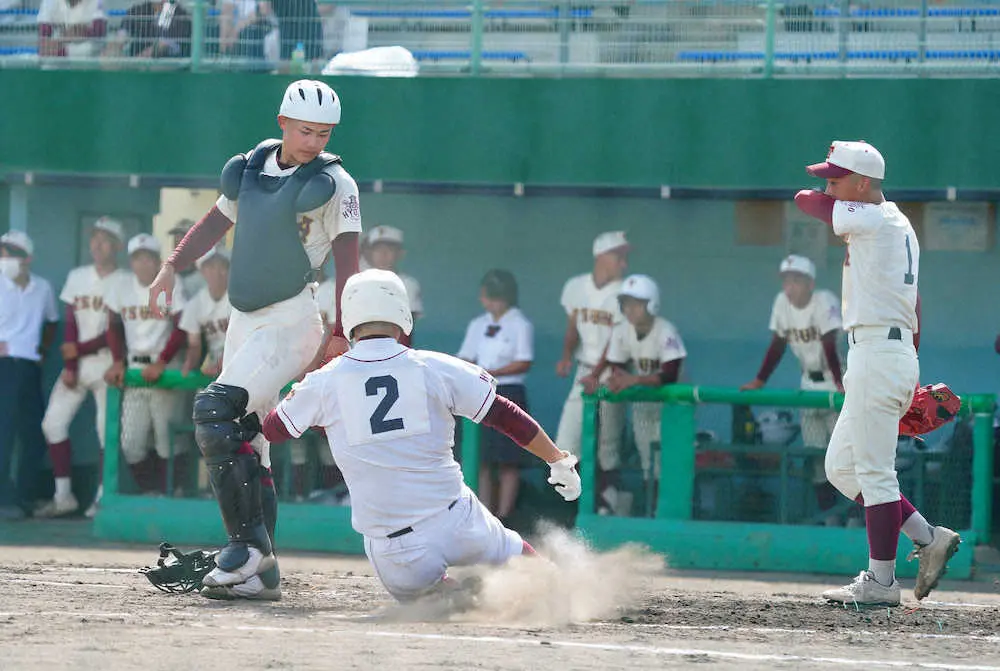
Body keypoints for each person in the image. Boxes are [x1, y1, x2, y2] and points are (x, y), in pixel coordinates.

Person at [147, 79, 361, 600]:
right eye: (305, 130)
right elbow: (216, 222)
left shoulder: (338, 184)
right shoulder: (250, 167)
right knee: (249, 437)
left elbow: (350, 262)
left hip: (291, 318)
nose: (313, 141)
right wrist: (173, 266)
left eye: (324, 132)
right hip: (242, 319)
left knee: (215, 412)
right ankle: (263, 574)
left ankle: (245, 549)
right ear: (282, 121)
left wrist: (339, 331)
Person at [258, 269, 581, 604]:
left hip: (396, 547)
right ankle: (563, 590)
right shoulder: (435, 366)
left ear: (350, 317)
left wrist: (306, 392)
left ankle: (455, 594)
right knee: (522, 557)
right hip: (458, 519)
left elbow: (273, 430)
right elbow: (505, 415)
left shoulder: (326, 380)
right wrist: (555, 458)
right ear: (402, 314)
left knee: (437, 603)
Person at [795, 140, 960, 605]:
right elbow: (917, 301)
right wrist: (905, 362)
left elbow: (804, 200)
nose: (827, 185)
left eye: (836, 177)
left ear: (863, 183)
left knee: (874, 472)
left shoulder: (873, 216)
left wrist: (896, 362)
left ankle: (882, 582)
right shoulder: (893, 223)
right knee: (843, 469)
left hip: (880, 351)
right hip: (884, 350)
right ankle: (929, 538)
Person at [739, 254, 845, 525]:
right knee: (816, 460)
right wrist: (760, 380)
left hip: (839, 381)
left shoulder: (825, 301)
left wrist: (840, 384)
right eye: (786, 281)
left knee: (845, 459)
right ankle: (831, 520)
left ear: (810, 283)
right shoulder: (781, 304)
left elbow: (830, 344)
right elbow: (778, 344)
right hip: (808, 383)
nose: (790, 287)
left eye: (796, 280)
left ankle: (856, 520)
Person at [36, 217, 128, 519]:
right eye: (94, 239)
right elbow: (71, 320)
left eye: (105, 239)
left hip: (108, 364)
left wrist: (80, 350)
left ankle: (102, 498)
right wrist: (71, 363)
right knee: (52, 423)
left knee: (106, 432)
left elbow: (120, 329)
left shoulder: (125, 279)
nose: (98, 245)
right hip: (79, 363)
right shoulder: (78, 275)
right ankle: (63, 496)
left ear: (116, 245)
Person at [105, 234, 188, 496]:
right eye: (138, 258)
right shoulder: (122, 286)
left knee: (167, 439)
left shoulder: (171, 282)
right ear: (131, 262)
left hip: (164, 369)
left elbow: (181, 327)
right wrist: (117, 360)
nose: (143, 263)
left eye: (148, 258)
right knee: (131, 442)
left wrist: (163, 361)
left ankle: (171, 491)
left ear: (157, 261)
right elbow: (113, 325)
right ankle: (150, 491)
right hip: (134, 370)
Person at [555, 231, 628, 516]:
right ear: (601, 256)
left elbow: (616, 340)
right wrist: (565, 357)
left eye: (624, 257)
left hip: (612, 373)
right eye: (618, 257)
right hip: (585, 370)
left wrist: (597, 374)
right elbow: (573, 325)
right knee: (567, 441)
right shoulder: (576, 286)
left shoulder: (624, 291)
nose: (623, 263)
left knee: (608, 444)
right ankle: (577, 506)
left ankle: (606, 505)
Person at [601, 274, 686, 510]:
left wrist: (633, 379)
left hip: (673, 406)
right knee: (649, 460)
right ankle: (652, 511)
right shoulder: (622, 330)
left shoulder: (666, 330)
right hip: (644, 404)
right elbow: (616, 365)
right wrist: (619, 380)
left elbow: (670, 373)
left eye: (636, 304)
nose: (630, 309)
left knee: (668, 461)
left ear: (651, 304)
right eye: (626, 303)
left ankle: (669, 512)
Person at [457, 269, 533, 524]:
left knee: (508, 459)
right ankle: (485, 513)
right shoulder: (478, 324)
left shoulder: (520, 323)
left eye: (497, 297)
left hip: (510, 390)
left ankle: (505, 515)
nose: (492, 302)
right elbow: (466, 356)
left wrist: (491, 372)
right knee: (483, 458)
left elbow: (524, 361)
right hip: (480, 391)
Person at [0, 230, 58, 520]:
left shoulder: (42, 287)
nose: (4, 257)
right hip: (4, 366)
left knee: (33, 435)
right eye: (3, 251)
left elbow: (51, 322)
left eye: (10, 252)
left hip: (30, 366)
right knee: (3, 433)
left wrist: (43, 350)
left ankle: (23, 496)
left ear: (27, 258)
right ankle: (4, 498)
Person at [361, 225, 423, 344]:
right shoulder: (358, 282)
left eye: (389, 249)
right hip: (360, 351)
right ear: (370, 253)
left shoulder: (408, 284)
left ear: (400, 253)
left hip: (394, 351)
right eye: (378, 249)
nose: (383, 254)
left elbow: (407, 329)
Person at [180, 247, 231, 378]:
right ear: (202, 271)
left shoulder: (241, 297)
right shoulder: (195, 304)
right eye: (211, 267)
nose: (218, 272)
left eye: (223, 266)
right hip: (214, 367)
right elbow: (194, 344)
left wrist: (222, 363)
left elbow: (245, 339)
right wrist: (190, 362)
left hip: (243, 363)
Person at [36, 0, 106, 58]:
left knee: (86, 48)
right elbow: (43, 46)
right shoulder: (49, 2)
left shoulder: (96, 1)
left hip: (89, 63)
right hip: (57, 63)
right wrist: (66, 37)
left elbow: (98, 36)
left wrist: (59, 44)